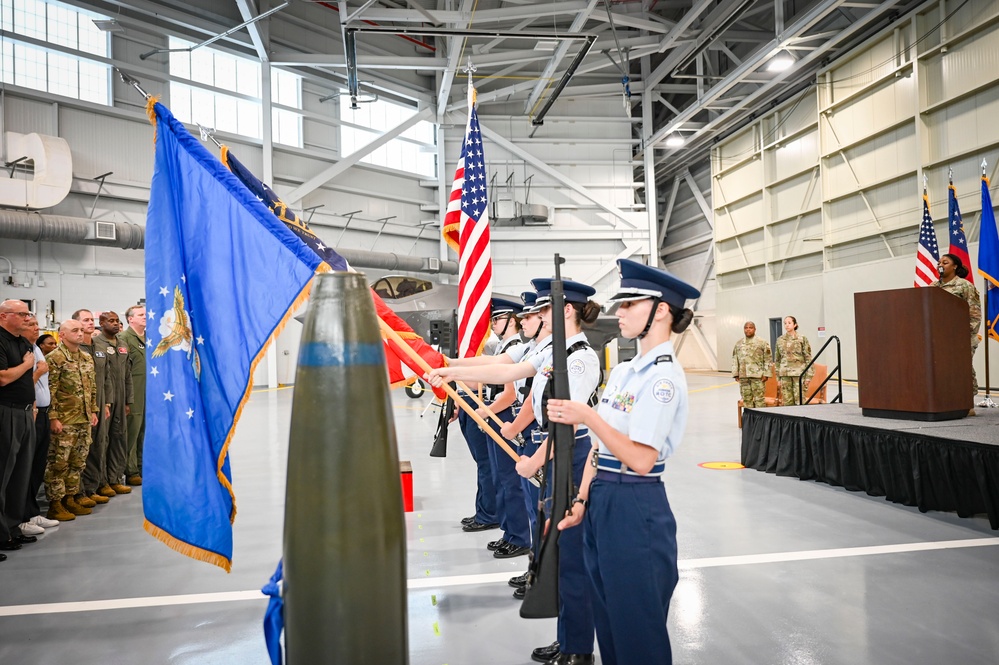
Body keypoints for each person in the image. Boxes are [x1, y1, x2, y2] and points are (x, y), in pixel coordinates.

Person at [428, 278, 602, 665]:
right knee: (552, 551)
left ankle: (578, 649)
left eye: (541, 312)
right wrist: (447, 367)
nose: (534, 319)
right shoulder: (552, 353)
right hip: (551, 451)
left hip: (568, 456)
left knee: (570, 556)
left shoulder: (579, 359)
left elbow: (569, 424)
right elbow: (506, 371)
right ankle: (568, 639)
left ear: (565, 310)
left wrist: (534, 461)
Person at [546, 258, 699, 665]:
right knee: (609, 622)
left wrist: (588, 415)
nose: (619, 312)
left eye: (630, 304)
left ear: (661, 310)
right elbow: (599, 448)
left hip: (636, 506)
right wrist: (581, 501)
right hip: (602, 500)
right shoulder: (627, 371)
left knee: (637, 632)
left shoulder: (661, 379)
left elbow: (641, 459)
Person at [44, 319, 99, 521]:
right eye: (75, 330)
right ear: (63, 334)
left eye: (81, 330)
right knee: (59, 462)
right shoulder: (54, 358)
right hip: (64, 420)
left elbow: (92, 387)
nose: (80, 333)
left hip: (83, 419)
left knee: (78, 461)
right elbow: (51, 390)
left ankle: (70, 497)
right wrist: (53, 417)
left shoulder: (86, 357)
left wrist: (93, 410)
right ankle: (55, 503)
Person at [0, 299, 39, 558]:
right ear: (4, 316)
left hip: (25, 412)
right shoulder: (1, 341)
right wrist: (26, 364)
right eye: (22, 314)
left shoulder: (23, 342)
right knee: (3, 473)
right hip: (6, 411)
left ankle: (12, 528)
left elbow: (28, 379)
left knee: (20, 474)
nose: (27, 318)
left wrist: (33, 406)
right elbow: (3, 378)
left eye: (28, 314)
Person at [19, 320, 60, 536]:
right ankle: (21, 517)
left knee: (37, 466)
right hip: (29, 413)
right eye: (30, 324)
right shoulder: (21, 350)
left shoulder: (36, 349)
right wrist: (37, 371)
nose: (37, 327)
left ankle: (32, 511)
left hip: (43, 412)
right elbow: (20, 384)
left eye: (37, 324)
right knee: (24, 468)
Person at [934, 253, 982, 401]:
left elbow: (974, 313)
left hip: (961, 337)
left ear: (955, 266)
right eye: (939, 263)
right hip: (939, 337)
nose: (940, 265)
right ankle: (947, 400)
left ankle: (967, 401)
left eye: (945, 262)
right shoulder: (933, 287)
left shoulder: (964, 285)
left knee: (962, 368)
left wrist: (964, 335)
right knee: (943, 369)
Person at [121, 305, 146, 485]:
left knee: (144, 431)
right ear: (130, 319)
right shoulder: (124, 339)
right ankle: (130, 470)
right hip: (134, 392)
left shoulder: (149, 338)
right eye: (141, 315)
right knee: (132, 431)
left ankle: (142, 466)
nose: (145, 317)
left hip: (148, 393)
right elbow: (121, 371)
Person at [774, 315, 812, 406]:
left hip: (798, 374)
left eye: (789, 323)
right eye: (785, 323)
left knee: (800, 401)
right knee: (787, 402)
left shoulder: (802, 339)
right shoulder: (780, 340)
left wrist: (808, 377)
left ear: (795, 325)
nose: (787, 325)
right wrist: (778, 378)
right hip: (785, 375)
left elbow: (808, 358)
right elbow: (777, 360)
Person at [732, 321, 772, 408]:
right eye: (746, 328)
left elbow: (768, 359)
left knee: (759, 400)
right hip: (744, 376)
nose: (748, 330)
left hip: (758, 376)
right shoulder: (739, 344)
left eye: (750, 328)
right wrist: (736, 374)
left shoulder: (762, 342)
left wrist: (766, 374)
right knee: (746, 399)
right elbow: (735, 359)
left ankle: (760, 421)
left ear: (755, 329)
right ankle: (749, 421)